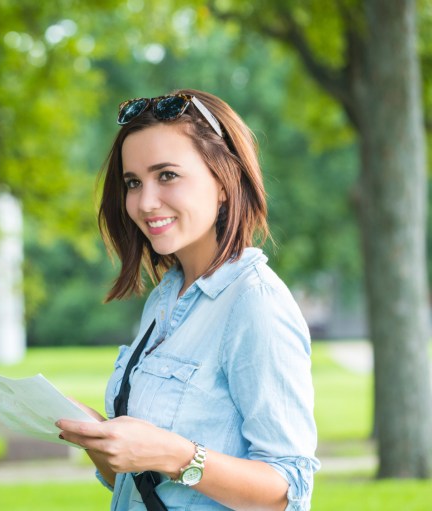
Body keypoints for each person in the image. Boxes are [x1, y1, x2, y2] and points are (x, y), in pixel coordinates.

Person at [56, 89, 319, 511]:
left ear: (223, 183)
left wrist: (175, 455)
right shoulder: (164, 299)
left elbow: (286, 491)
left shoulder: (255, 303)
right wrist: (96, 435)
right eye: (133, 183)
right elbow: (144, 486)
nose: (145, 202)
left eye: (167, 176)